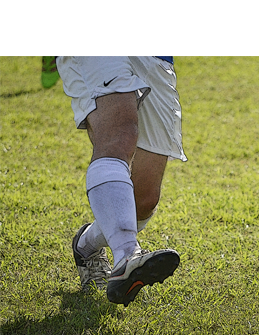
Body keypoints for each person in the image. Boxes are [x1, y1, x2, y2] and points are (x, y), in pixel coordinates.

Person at [56, 56, 187, 306]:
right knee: (119, 136)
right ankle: (127, 256)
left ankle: (86, 244)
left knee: (143, 201)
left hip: (155, 55)